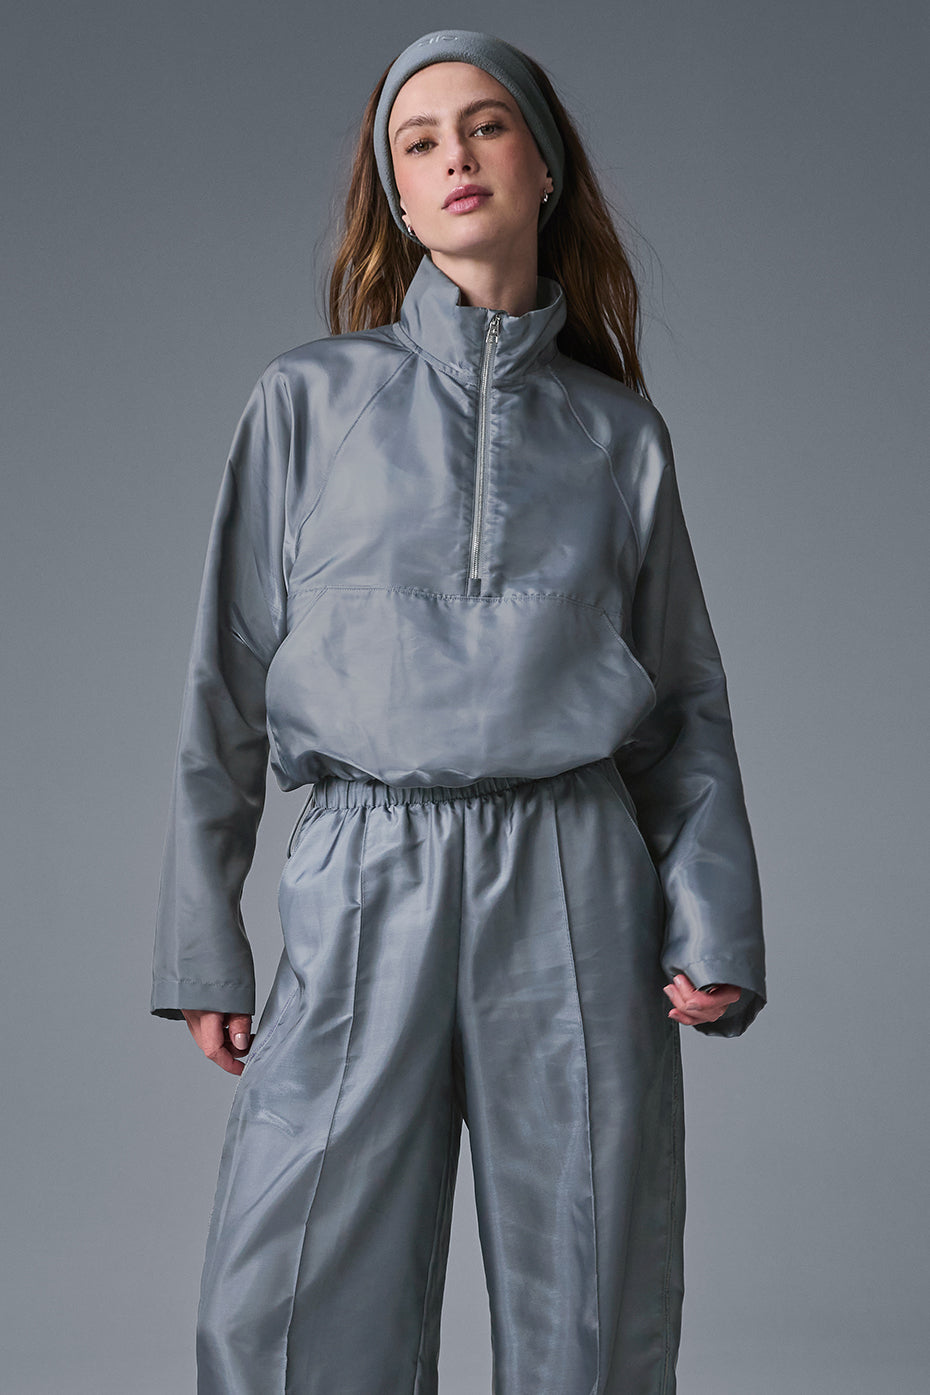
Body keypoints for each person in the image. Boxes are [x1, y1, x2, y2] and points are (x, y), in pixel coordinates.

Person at [151, 28, 766, 1395]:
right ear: (398, 196)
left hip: (572, 876)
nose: (454, 158)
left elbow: (680, 705)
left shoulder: (617, 436)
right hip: (363, 869)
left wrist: (715, 919)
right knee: (283, 1312)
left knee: (590, 1306)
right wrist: (204, 939)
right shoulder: (307, 402)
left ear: (543, 167)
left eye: (485, 126)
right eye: (418, 142)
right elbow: (223, 680)